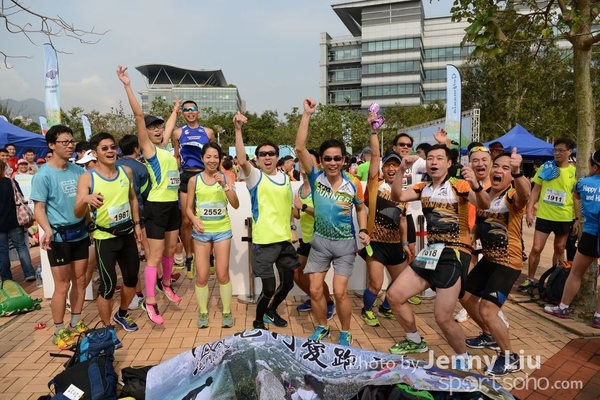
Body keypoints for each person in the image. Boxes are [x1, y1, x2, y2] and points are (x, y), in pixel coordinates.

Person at [386, 144, 490, 370]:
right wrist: (402, 169)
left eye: (439, 158)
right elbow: (397, 195)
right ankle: (414, 340)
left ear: (449, 163)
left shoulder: (459, 185)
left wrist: (476, 185)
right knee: (394, 295)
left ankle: (463, 356)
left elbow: (485, 204)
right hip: (431, 251)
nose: (434, 162)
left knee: (442, 316)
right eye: (430, 158)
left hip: (454, 252)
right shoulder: (422, 187)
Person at [296, 98, 370, 346]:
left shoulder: (353, 183)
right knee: (315, 290)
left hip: (345, 244)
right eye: (327, 158)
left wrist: (363, 229)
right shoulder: (315, 176)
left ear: (344, 160)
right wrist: (307, 114)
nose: (332, 163)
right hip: (320, 243)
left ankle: (345, 331)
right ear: (321, 160)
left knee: (339, 291)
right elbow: (300, 148)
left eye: (337, 158)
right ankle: (322, 327)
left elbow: (361, 208)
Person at [118, 65, 181, 325]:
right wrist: (127, 85)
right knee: (154, 255)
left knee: (171, 249)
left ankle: (165, 284)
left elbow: (169, 127)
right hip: (156, 206)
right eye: (152, 128)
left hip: (173, 205)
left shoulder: (164, 148)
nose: (157, 131)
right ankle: (150, 302)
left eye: (159, 128)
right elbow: (138, 114)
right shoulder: (149, 150)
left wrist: (175, 111)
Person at [462, 149, 530, 376]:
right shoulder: (485, 194)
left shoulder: (512, 196)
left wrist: (518, 172)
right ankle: (489, 335)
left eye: (506, 168)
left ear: (511, 175)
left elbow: (525, 196)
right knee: (465, 297)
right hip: (488, 259)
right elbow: (479, 221)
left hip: (508, 262)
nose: (499, 170)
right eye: (497, 166)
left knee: (488, 310)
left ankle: (509, 358)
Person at [234, 111, 300, 330]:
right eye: (262, 154)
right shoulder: (255, 176)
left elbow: (287, 207)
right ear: (258, 159)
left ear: (277, 156)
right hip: (264, 242)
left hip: (284, 240)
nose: (267, 157)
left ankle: (272, 311)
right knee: (269, 287)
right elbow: (241, 160)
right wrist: (238, 129)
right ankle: (258, 320)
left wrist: (292, 227)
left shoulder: (284, 178)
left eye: (271, 153)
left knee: (287, 284)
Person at [74, 132, 142, 333]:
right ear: (95, 153)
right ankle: (107, 327)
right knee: (108, 285)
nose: (110, 151)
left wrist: (137, 224)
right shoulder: (88, 178)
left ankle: (121, 314)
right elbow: (77, 211)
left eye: (112, 147)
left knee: (131, 279)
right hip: (105, 238)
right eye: (104, 148)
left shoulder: (126, 171)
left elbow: (133, 198)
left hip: (127, 234)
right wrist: (85, 200)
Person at [30, 125, 89, 349]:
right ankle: (59, 330)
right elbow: (39, 208)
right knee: (62, 286)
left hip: (80, 233)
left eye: (72, 141)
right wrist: (47, 229)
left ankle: (76, 321)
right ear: (52, 145)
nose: (70, 145)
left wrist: (90, 224)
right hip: (59, 237)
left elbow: (84, 202)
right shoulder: (43, 175)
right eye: (64, 142)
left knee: (80, 281)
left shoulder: (78, 171)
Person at [360, 113, 413, 328]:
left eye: (396, 165)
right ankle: (366, 310)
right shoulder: (376, 185)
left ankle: (385, 308)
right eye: (388, 165)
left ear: (401, 169)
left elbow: (402, 220)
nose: (392, 168)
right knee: (376, 284)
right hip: (376, 244)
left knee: (400, 284)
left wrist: (405, 243)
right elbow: (375, 155)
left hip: (395, 245)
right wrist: (373, 131)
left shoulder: (404, 192)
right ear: (382, 169)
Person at [185, 142, 240, 328]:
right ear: (202, 158)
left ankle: (226, 311)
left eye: (216, 157)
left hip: (222, 231)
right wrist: (194, 219)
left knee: (222, 274)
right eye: (208, 156)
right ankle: (203, 312)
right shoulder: (194, 180)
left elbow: (236, 204)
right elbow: (188, 208)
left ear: (221, 159)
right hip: (201, 233)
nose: (212, 160)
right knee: (202, 276)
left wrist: (224, 185)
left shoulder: (227, 177)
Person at [544, 150, 600, 329]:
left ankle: (563, 307)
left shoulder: (582, 183)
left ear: (594, 167)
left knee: (575, 273)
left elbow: (577, 197)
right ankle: (598, 317)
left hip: (590, 233)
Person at [164, 99, 215, 280]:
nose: (190, 112)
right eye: (186, 110)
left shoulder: (208, 132)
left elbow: (214, 154)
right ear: (183, 113)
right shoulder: (178, 133)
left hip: (204, 176)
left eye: (193, 109)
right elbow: (177, 157)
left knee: (206, 216)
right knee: (186, 220)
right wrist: (172, 177)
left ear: (198, 112)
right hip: (186, 177)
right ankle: (188, 256)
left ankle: (210, 254)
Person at [518, 138, 577, 293]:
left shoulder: (575, 172)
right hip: (544, 215)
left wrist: (577, 219)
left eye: (561, 150)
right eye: (555, 150)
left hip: (564, 217)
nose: (557, 153)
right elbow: (535, 190)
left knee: (560, 248)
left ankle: (554, 281)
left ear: (569, 152)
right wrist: (529, 210)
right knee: (536, 248)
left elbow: (577, 197)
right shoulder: (546, 167)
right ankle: (530, 279)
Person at [293, 150, 336, 320]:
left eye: (308, 160)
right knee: (297, 273)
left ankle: (328, 303)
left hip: (321, 239)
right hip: (306, 239)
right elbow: (297, 215)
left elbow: (325, 214)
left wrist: (303, 207)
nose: (304, 164)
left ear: (317, 164)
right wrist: (294, 208)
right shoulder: (299, 188)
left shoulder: (321, 187)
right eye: (301, 161)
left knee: (314, 278)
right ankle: (315, 299)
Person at [116, 134, 152, 310]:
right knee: (148, 256)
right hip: (140, 219)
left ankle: (135, 294)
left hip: (118, 221)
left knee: (127, 260)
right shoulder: (141, 168)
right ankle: (150, 292)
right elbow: (146, 194)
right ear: (137, 148)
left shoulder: (113, 166)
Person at [0, 160, 36, 282]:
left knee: (2, 251)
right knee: (21, 247)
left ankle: (6, 277)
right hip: (15, 220)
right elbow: (20, 197)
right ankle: (29, 273)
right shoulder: (11, 182)